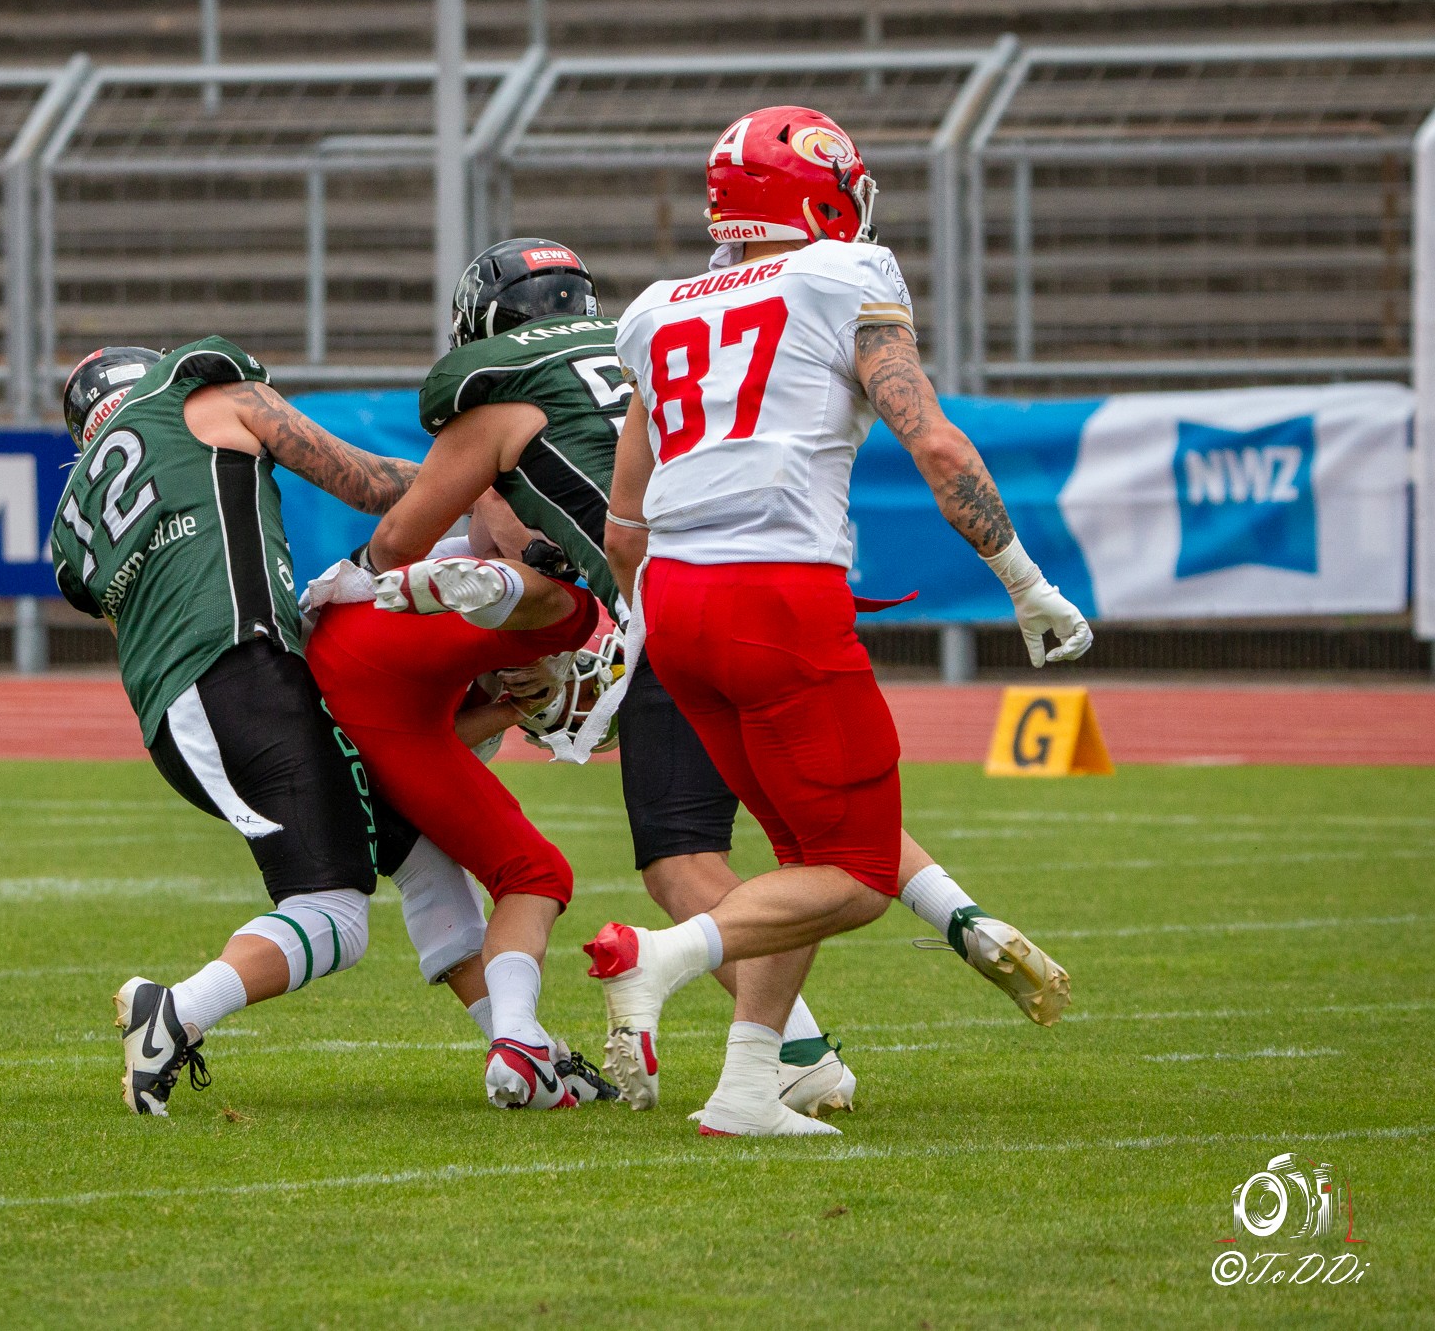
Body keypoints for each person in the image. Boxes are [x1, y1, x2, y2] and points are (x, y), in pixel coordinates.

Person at [364, 235, 1074, 1122]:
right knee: (817, 827)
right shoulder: (656, 339)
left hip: (674, 609)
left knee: (688, 861)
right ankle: (955, 918)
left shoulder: (508, 397)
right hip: (781, 580)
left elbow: (403, 544)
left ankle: (779, 1043)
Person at [585, 106, 1092, 1137]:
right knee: (856, 877)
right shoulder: (845, 274)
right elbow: (936, 444)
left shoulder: (653, 308)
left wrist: (641, 624)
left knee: (801, 849)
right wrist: (1023, 579)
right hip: (775, 595)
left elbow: (623, 523)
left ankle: (747, 1087)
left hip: (675, 603)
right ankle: (657, 959)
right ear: (819, 198)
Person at [50, 339, 441, 1116]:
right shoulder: (199, 392)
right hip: (240, 682)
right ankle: (177, 1011)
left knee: (419, 843)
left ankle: (519, 1042)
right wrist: (475, 475)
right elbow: (366, 482)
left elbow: (142, 620)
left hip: (188, 718)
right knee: (335, 913)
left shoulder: (74, 519)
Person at [307, 520, 618, 1108]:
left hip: (357, 702)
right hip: (374, 641)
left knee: (440, 879)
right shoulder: (549, 581)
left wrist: (512, 709)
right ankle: (520, 1040)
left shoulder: (497, 702)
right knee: (532, 873)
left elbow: (434, 730)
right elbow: (488, 507)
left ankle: (524, 1045)